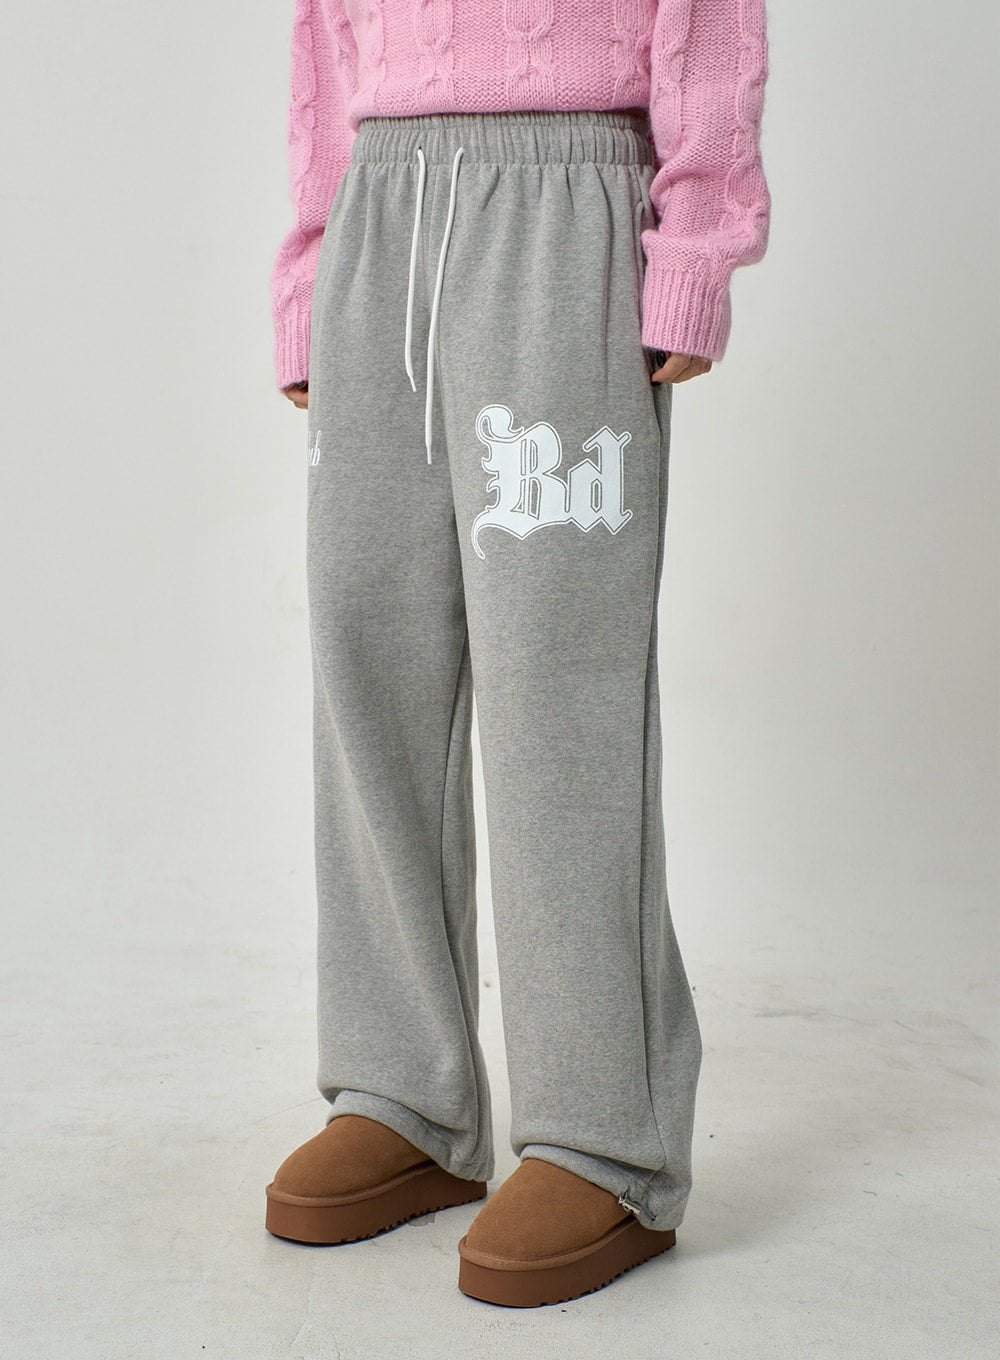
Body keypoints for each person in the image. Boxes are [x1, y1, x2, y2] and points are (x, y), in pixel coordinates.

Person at [263, 0, 771, 1309]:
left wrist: (697, 242)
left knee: (561, 687)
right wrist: (313, 270)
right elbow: (326, 39)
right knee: (370, 664)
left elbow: (710, 23)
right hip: (380, 210)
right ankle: (404, 1094)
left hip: (566, 202)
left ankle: (606, 1140)